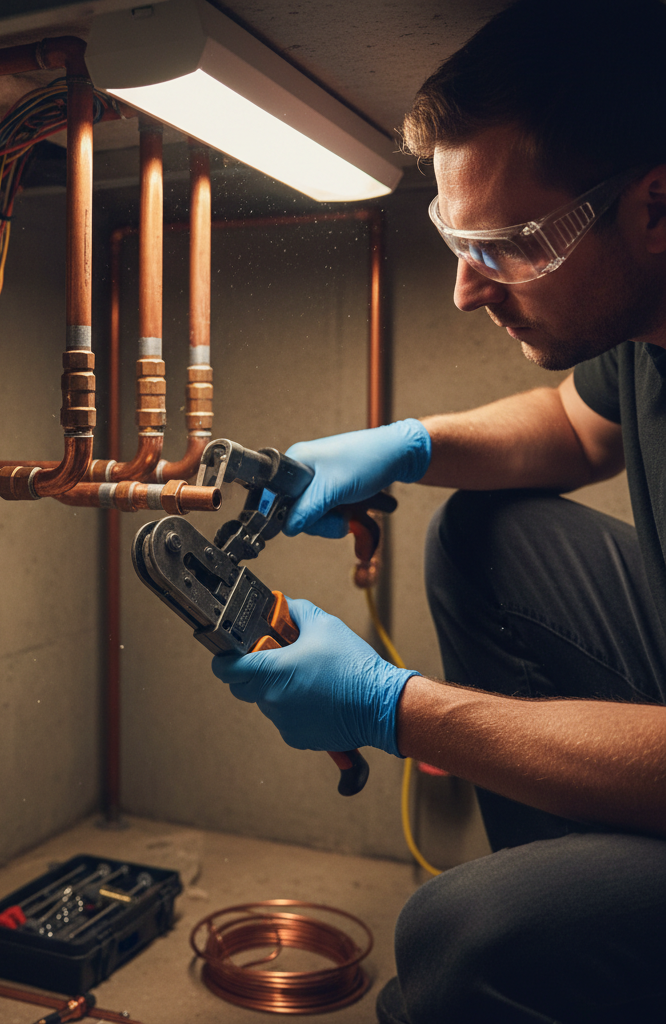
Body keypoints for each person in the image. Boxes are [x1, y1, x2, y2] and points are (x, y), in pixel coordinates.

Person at [211, 1, 666, 1020]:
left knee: (459, 943)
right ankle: (584, 907)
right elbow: (574, 428)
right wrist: (407, 447)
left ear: (652, 206)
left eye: (506, 244)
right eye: (454, 238)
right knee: (483, 530)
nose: (466, 290)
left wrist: (393, 706)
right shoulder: (648, 321)